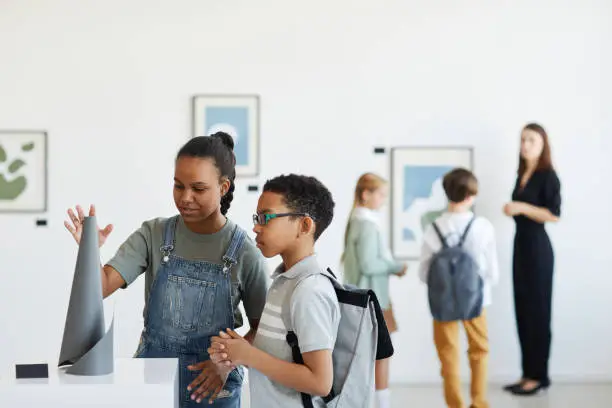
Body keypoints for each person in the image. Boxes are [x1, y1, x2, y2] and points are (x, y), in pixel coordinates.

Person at [63, 132, 270, 407]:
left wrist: (226, 362)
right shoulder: (154, 233)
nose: (185, 197)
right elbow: (99, 288)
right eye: (178, 185)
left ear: (223, 187)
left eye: (198, 189)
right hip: (151, 382)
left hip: (211, 389)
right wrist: (89, 248)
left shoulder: (245, 252)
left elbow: (263, 330)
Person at [191, 174, 340, 408]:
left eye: (266, 217)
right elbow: (276, 359)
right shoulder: (283, 282)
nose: (256, 227)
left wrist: (248, 355)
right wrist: (235, 350)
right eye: (256, 217)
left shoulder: (310, 290)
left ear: (304, 225)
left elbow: (320, 382)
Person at [419, 168, 499, 408]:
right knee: (479, 350)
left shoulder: (433, 228)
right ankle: (479, 402)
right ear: (471, 195)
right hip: (477, 300)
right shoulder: (483, 226)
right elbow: (492, 273)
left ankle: (455, 405)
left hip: (443, 301)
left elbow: (424, 273)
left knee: (448, 354)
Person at [502, 123, 561, 396]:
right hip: (520, 247)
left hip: (538, 249)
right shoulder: (522, 174)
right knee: (522, 310)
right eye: (523, 139)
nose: (525, 144)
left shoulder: (548, 175)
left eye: (532, 140)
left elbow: (553, 214)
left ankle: (540, 375)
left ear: (542, 144)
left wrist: (522, 207)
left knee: (538, 311)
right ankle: (527, 373)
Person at [340, 172, 406, 408]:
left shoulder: (356, 221)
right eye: (381, 194)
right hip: (373, 299)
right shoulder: (367, 224)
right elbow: (369, 264)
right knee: (382, 354)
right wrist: (396, 267)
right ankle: (382, 403)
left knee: (365, 354)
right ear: (366, 195)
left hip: (361, 297)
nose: (383, 200)